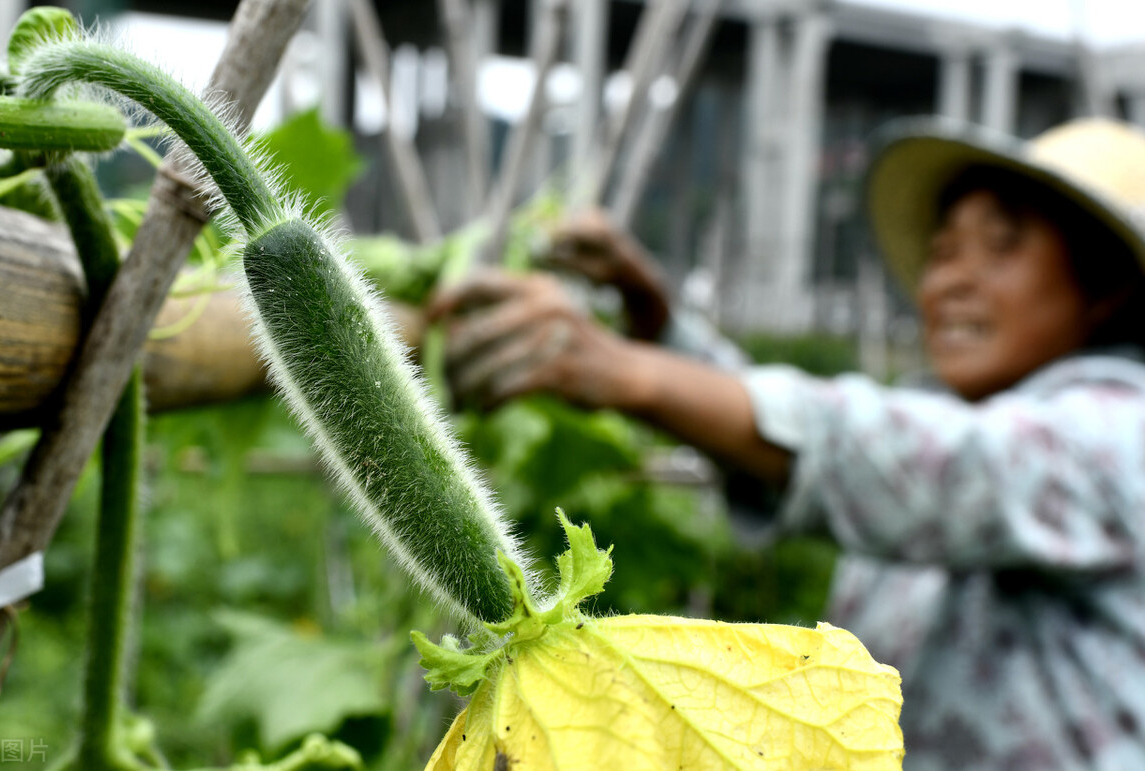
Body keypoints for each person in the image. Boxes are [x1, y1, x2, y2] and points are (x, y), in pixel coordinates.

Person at [427, 116, 1145, 770]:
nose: (954, 279)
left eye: (1001, 245)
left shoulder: (1120, 431)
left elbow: (910, 459)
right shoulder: (949, 412)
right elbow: (813, 433)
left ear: (1106, 283)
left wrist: (626, 370)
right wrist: (657, 321)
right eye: (943, 251)